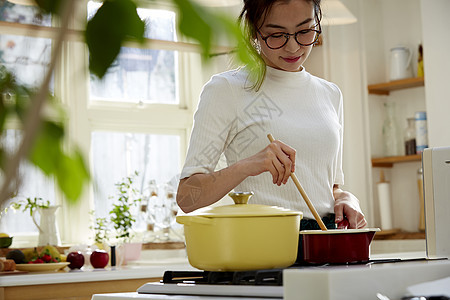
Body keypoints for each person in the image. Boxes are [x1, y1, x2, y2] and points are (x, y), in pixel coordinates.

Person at [176, 0, 367, 230]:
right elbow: (187, 198)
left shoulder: (330, 94)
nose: (293, 47)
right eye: (277, 35)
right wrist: (247, 165)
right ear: (254, 31)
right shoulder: (226, 90)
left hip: (325, 241)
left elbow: (329, 187)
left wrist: (345, 198)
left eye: (304, 31)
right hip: (264, 241)